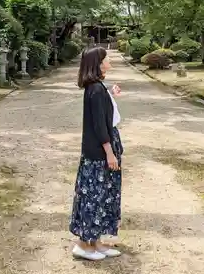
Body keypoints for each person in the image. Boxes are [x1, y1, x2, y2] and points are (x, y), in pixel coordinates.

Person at [69, 46, 123, 261]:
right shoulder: (95, 90)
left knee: (102, 196)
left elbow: (102, 114)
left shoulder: (97, 88)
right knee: (94, 196)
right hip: (100, 152)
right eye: (106, 58)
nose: (109, 60)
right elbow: (100, 125)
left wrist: (111, 94)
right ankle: (83, 244)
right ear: (98, 63)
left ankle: (96, 242)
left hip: (101, 149)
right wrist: (110, 152)